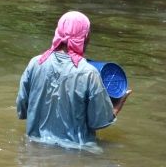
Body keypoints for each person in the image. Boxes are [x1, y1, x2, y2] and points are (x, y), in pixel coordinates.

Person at [16, 11, 132, 148]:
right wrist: (115, 108)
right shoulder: (89, 73)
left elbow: (22, 109)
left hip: (34, 149)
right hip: (74, 153)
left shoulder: (35, 63)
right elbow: (99, 121)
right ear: (86, 36)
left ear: (57, 32)